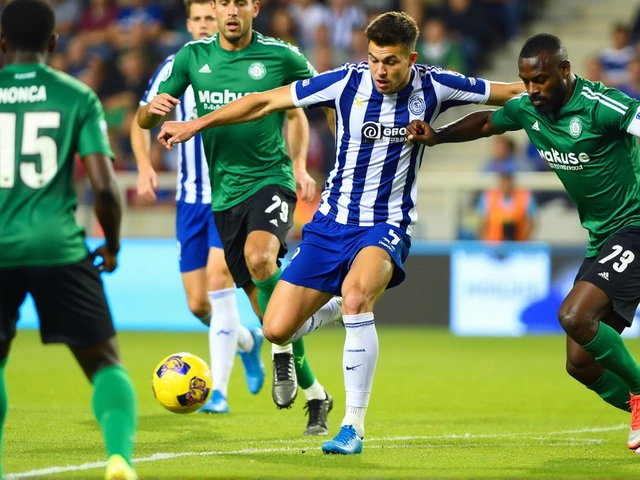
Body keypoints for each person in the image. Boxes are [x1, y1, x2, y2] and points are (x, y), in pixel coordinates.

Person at [155, 11, 523, 454]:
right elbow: (264, 101)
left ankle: (352, 426)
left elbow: (509, 93)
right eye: (373, 60)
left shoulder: (436, 84)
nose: (380, 71)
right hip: (330, 225)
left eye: (390, 61)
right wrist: (196, 123)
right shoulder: (344, 81)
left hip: (386, 224)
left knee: (357, 298)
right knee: (276, 329)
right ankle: (330, 308)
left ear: (412, 58)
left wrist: (565, 95)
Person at [406, 32, 640, 452]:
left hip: (637, 225)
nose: (532, 90)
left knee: (573, 315)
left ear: (565, 72)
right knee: (580, 363)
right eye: (525, 81)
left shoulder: (600, 105)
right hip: (602, 235)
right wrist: (438, 136)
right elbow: (485, 121)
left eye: (541, 81)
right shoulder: (530, 108)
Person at [138, 0, 342, 435]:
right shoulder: (192, 58)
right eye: (223, 2)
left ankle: (279, 354)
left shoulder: (282, 55)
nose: (231, 10)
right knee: (271, 319)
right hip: (223, 197)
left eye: (240, 2)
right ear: (215, 8)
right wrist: (150, 111)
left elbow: (316, 102)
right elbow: (144, 116)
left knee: (259, 257)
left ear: (255, 7)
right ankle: (317, 394)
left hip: (270, 180)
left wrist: (305, 164)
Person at [0, 0, 137, 478]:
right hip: (58, 245)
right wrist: (113, 245)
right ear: (54, 43)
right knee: (104, 362)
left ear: (1, 43)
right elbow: (103, 186)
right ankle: (119, 458)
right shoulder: (77, 96)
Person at [131, 0, 265, 416]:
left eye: (213, 17)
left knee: (218, 276)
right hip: (190, 199)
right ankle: (247, 340)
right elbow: (141, 119)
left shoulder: (247, 61)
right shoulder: (176, 66)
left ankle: (219, 391)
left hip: (233, 193)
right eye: (201, 18)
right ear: (189, 24)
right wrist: (144, 167)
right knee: (197, 303)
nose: (208, 24)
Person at [477, 163, 537, 242]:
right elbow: (482, 223)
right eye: (503, 180)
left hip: (518, 244)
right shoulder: (488, 197)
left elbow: (531, 223)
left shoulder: (525, 197)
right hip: (493, 245)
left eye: (508, 180)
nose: (506, 184)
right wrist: (485, 244)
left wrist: (524, 243)